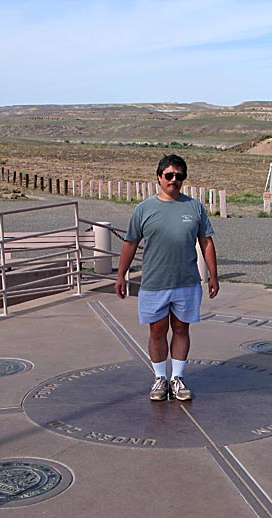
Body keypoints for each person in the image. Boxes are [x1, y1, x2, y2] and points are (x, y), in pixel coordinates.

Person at [114, 154, 219, 401]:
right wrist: (121, 275)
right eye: (169, 175)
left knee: (181, 328)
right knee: (158, 330)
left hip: (186, 281)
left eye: (179, 176)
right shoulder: (144, 209)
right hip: (155, 283)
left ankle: (177, 378)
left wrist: (213, 275)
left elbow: (206, 242)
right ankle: (160, 377)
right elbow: (130, 243)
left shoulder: (194, 208)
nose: (174, 180)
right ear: (159, 177)